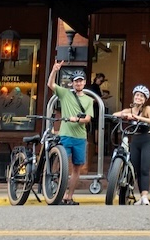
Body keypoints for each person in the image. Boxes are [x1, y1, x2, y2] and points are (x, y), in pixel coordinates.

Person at [47, 60, 94, 205]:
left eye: (80, 81)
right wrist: (54, 70)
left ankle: (69, 196)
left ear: (84, 82)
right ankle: (56, 190)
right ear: (72, 83)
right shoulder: (66, 94)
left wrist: (76, 120)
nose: (78, 83)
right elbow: (51, 85)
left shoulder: (88, 100)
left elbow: (87, 118)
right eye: (76, 81)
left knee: (77, 168)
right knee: (60, 163)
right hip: (65, 135)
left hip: (80, 137)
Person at [113, 84, 150, 205]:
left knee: (144, 169)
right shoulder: (129, 110)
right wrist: (123, 115)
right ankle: (135, 194)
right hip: (135, 141)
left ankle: (144, 197)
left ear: (145, 99)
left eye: (141, 96)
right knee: (136, 170)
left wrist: (137, 117)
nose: (139, 97)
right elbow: (115, 114)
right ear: (133, 97)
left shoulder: (147, 109)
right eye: (137, 95)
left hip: (146, 141)